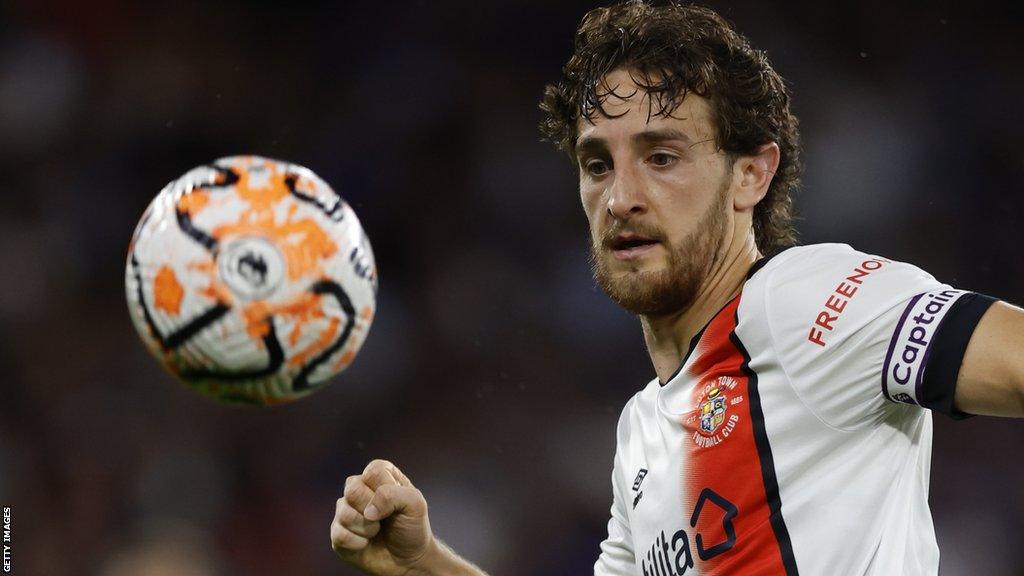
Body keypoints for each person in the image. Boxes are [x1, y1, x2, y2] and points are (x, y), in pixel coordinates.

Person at [330, 2, 1024, 574]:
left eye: (662, 157)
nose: (621, 196)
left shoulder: (800, 299)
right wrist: (421, 562)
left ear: (751, 175)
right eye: (597, 164)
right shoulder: (642, 432)